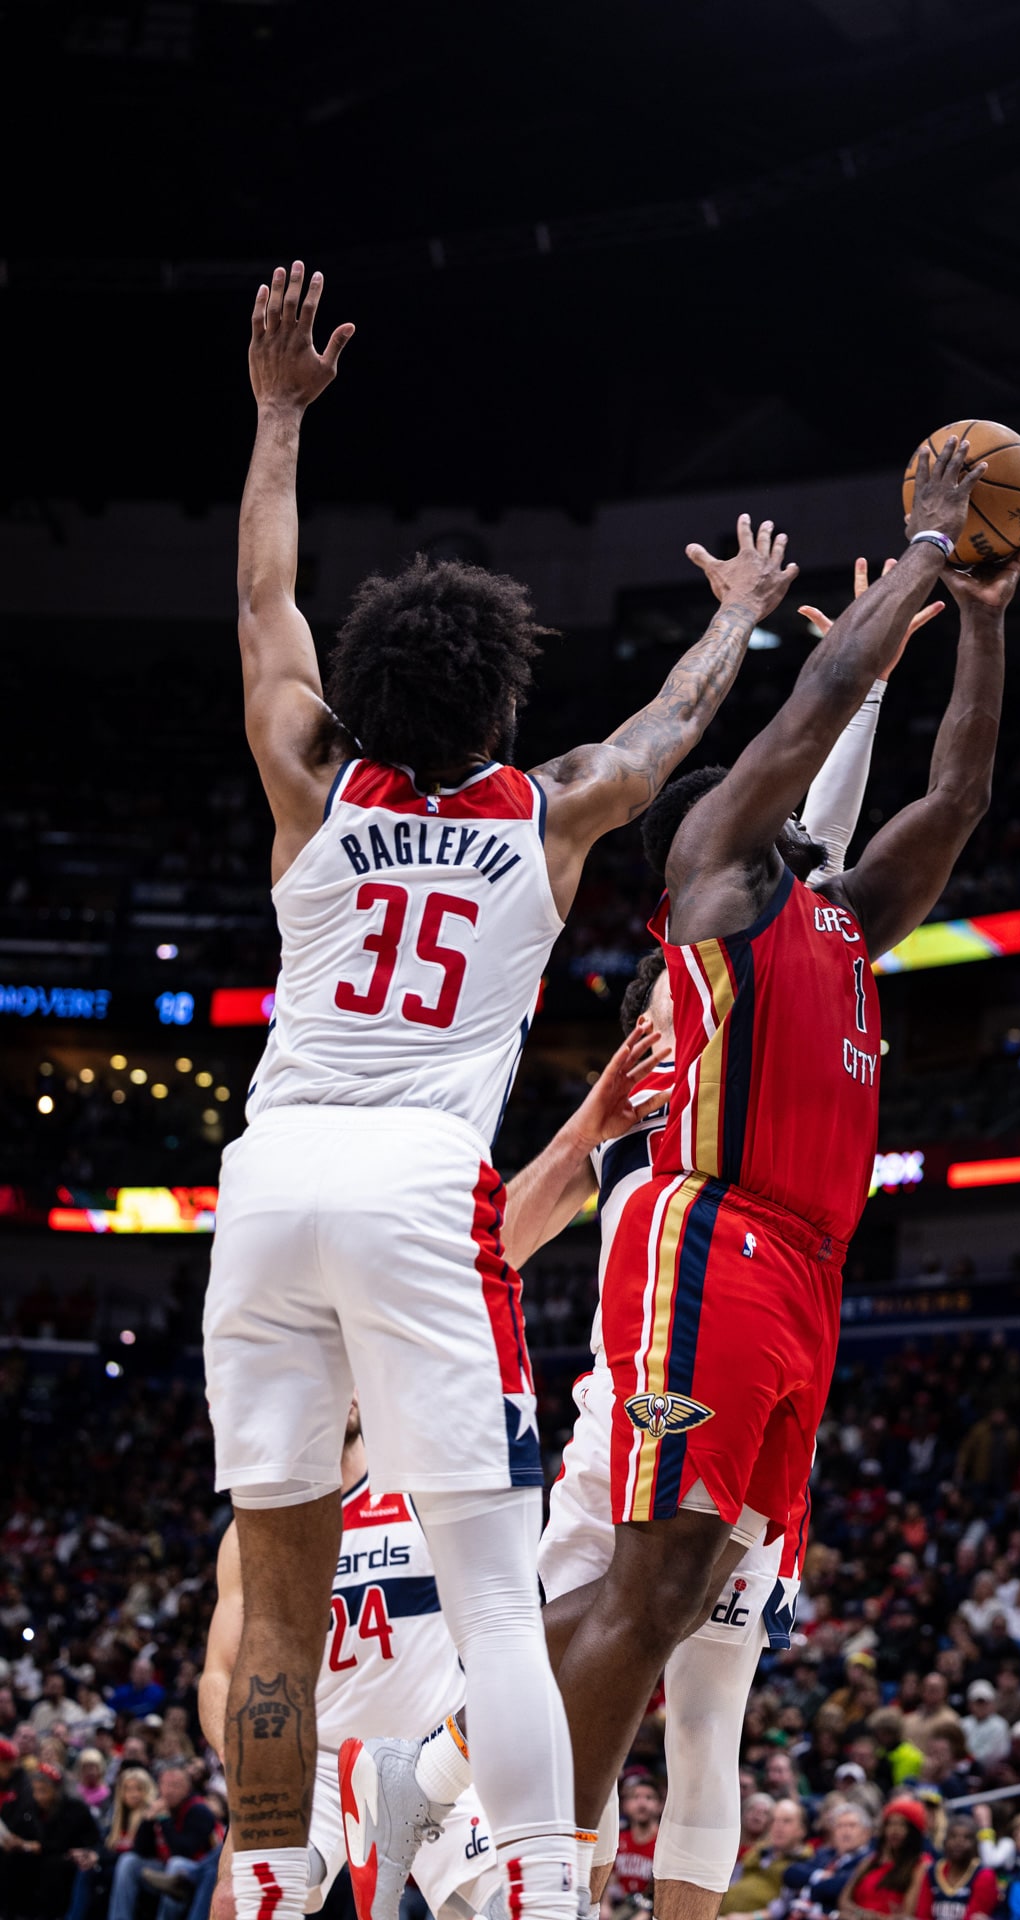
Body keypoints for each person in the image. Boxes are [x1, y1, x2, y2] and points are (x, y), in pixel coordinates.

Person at [204, 255, 800, 1920]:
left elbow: (265, 605)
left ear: (372, 695)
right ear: (499, 701)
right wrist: (736, 619)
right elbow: (671, 731)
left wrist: (274, 422)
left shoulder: (309, 778)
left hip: (269, 1187)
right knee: (488, 1595)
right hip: (413, 1193)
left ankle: (264, 1883)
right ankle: (536, 1882)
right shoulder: (545, 813)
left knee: (274, 1596)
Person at [553, 442, 1020, 1865]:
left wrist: (989, 632)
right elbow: (820, 699)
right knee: (644, 1600)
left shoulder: (843, 919)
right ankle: (527, 1859)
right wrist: (930, 548)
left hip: (807, 1274)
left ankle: (503, 1805)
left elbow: (954, 806)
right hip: (709, 1240)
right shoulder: (715, 865)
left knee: (689, 1595)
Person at [492, 553, 942, 1920]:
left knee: (705, 1697)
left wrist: (865, 698)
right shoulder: (684, 1017)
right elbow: (794, 859)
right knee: (612, 1646)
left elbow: (812, 864)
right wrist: (849, 683)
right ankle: (468, 1802)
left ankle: (483, 1809)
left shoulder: (763, 948)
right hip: (661, 1330)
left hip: (754, 1296)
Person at [201, 1402, 505, 1920]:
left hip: (432, 1751)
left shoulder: (419, 1490)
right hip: (313, 1762)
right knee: (235, 1902)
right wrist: (246, 1763)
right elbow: (220, 1673)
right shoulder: (255, 1530)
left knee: (502, 1910)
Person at [107, 1763, 219, 1920]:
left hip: (191, 1873)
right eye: (165, 1785)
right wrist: (147, 1820)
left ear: (187, 1789)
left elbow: (183, 1851)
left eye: (176, 1785)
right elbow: (140, 1850)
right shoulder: (159, 1807)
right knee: (129, 1861)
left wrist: (165, 1820)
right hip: (161, 1869)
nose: (169, 1791)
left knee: (176, 1863)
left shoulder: (199, 1810)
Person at [1, 1762, 103, 1920]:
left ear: (56, 1790)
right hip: (42, 1853)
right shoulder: (33, 1807)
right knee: (11, 1859)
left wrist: (31, 1845)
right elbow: (22, 1830)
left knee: (51, 1866)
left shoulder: (74, 1808)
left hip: (71, 1857)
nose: (37, 1796)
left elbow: (62, 1843)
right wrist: (15, 1841)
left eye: (43, 1791)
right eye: (34, 1790)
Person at [837, 1799, 929, 1920]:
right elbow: (843, 1900)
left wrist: (875, 1917)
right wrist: (862, 1914)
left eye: (902, 1825)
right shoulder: (870, 1861)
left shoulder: (920, 1865)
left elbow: (908, 1913)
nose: (894, 1830)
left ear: (913, 1830)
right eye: (890, 1824)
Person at [723, 1801, 813, 1916]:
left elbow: (784, 1907)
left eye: (786, 1821)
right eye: (774, 1820)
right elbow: (732, 1881)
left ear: (802, 1830)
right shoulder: (759, 1851)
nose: (778, 1826)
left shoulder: (803, 1863)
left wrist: (753, 1917)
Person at [915, 1815, 998, 1920]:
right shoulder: (932, 1871)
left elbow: (974, 1916)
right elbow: (923, 1915)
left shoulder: (985, 1875)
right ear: (944, 1841)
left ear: (975, 1844)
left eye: (967, 1838)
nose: (959, 1842)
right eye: (953, 1836)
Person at [610, 1777, 663, 1908]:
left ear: (660, 1805)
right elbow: (610, 1880)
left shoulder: (664, 1844)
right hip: (619, 1909)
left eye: (649, 1798)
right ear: (625, 1805)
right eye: (635, 1797)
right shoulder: (618, 1839)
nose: (642, 1803)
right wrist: (605, 1905)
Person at [960, 1684, 1010, 1771]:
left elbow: (994, 1755)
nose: (981, 1707)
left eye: (984, 1703)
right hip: (964, 1768)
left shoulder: (1000, 1725)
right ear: (970, 1705)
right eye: (977, 1703)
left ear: (992, 1704)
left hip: (990, 1771)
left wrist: (969, 1759)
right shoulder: (963, 1723)